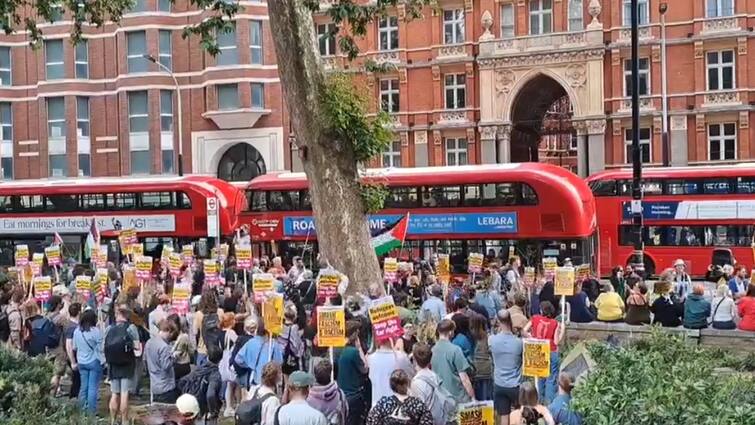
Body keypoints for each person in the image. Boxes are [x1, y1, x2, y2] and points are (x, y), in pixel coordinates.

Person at [104, 305, 142, 425]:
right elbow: (137, 347)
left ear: (117, 315)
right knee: (125, 393)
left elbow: (104, 347)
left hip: (113, 365)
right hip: (127, 363)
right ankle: (125, 420)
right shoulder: (131, 328)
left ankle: (113, 420)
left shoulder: (109, 328)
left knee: (115, 393)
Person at [522, 301, 563, 404]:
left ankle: (538, 401)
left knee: (539, 375)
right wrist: (562, 331)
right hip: (551, 351)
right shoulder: (555, 323)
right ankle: (549, 403)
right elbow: (556, 342)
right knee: (551, 377)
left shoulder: (535, 318)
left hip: (538, 350)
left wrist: (533, 338)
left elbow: (524, 331)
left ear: (541, 310)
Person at [489, 310, 523, 425]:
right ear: (510, 320)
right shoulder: (519, 342)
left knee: (504, 416)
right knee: (519, 414)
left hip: (499, 384)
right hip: (515, 385)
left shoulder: (492, 340)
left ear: (498, 321)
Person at [431, 319, 475, 404]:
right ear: (450, 332)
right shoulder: (455, 350)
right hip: (458, 397)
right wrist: (472, 396)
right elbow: (464, 378)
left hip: (442, 397)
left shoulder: (433, 350)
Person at [366, 369, 433, 425]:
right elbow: (428, 422)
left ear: (391, 385)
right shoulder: (417, 404)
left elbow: (371, 421)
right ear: (407, 383)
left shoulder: (383, 404)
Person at [410, 343, 455, 425]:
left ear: (415, 360)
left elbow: (418, 411)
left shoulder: (416, 382)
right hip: (440, 419)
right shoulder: (434, 376)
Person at [234, 316, 284, 388]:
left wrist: (250, 364)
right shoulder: (273, 344)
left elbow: (238, 359)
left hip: (254, 379)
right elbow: (279, 361)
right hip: (270, 381)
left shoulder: (250, 343)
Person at [72, 308, 103, 415]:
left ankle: (81, 411)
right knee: (92, 387)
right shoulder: (95, 331)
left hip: (81, 362)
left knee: (83, 387)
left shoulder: (77, 331)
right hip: (94, 361)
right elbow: (101, 347)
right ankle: (91, 412)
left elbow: (74, 347)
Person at [337, 321, 369, 425]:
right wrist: (359, 348)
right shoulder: (353, 352)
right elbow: (365, 369)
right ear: (354, 334)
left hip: (341, 393)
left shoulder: (338, 349)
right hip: (354, 394)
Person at [368, 336, 413, 407]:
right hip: (396, 408)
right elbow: (411, 377)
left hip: (376, 406)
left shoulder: (370, 359)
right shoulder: (401, 357)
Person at [145, 318, 180, 403]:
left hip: (154, 385)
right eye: (171, 334)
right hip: (166, 386)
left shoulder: (149, 342)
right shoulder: (164, 346)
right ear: (168, 331)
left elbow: (145, 360)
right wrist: (174, 357)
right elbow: (166, 366)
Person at [308, 359, 348, 425]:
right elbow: (345, 412)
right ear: (330, 374)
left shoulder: (308, 399)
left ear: (315, 375)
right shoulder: (340, 394)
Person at [167, 313, 194, 380]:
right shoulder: (184, 337)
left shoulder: (170, 337)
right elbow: (191, 351)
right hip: (181, 364)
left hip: (177, 364)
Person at [64, 302, 82, 399]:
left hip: (73, 356)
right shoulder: (73, 327)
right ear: (79, 312)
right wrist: (73, 362)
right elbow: (68, 345)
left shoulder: (69, 324)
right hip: (74, 356)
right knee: (76, 380)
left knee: (76, 380)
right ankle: (74, 398)